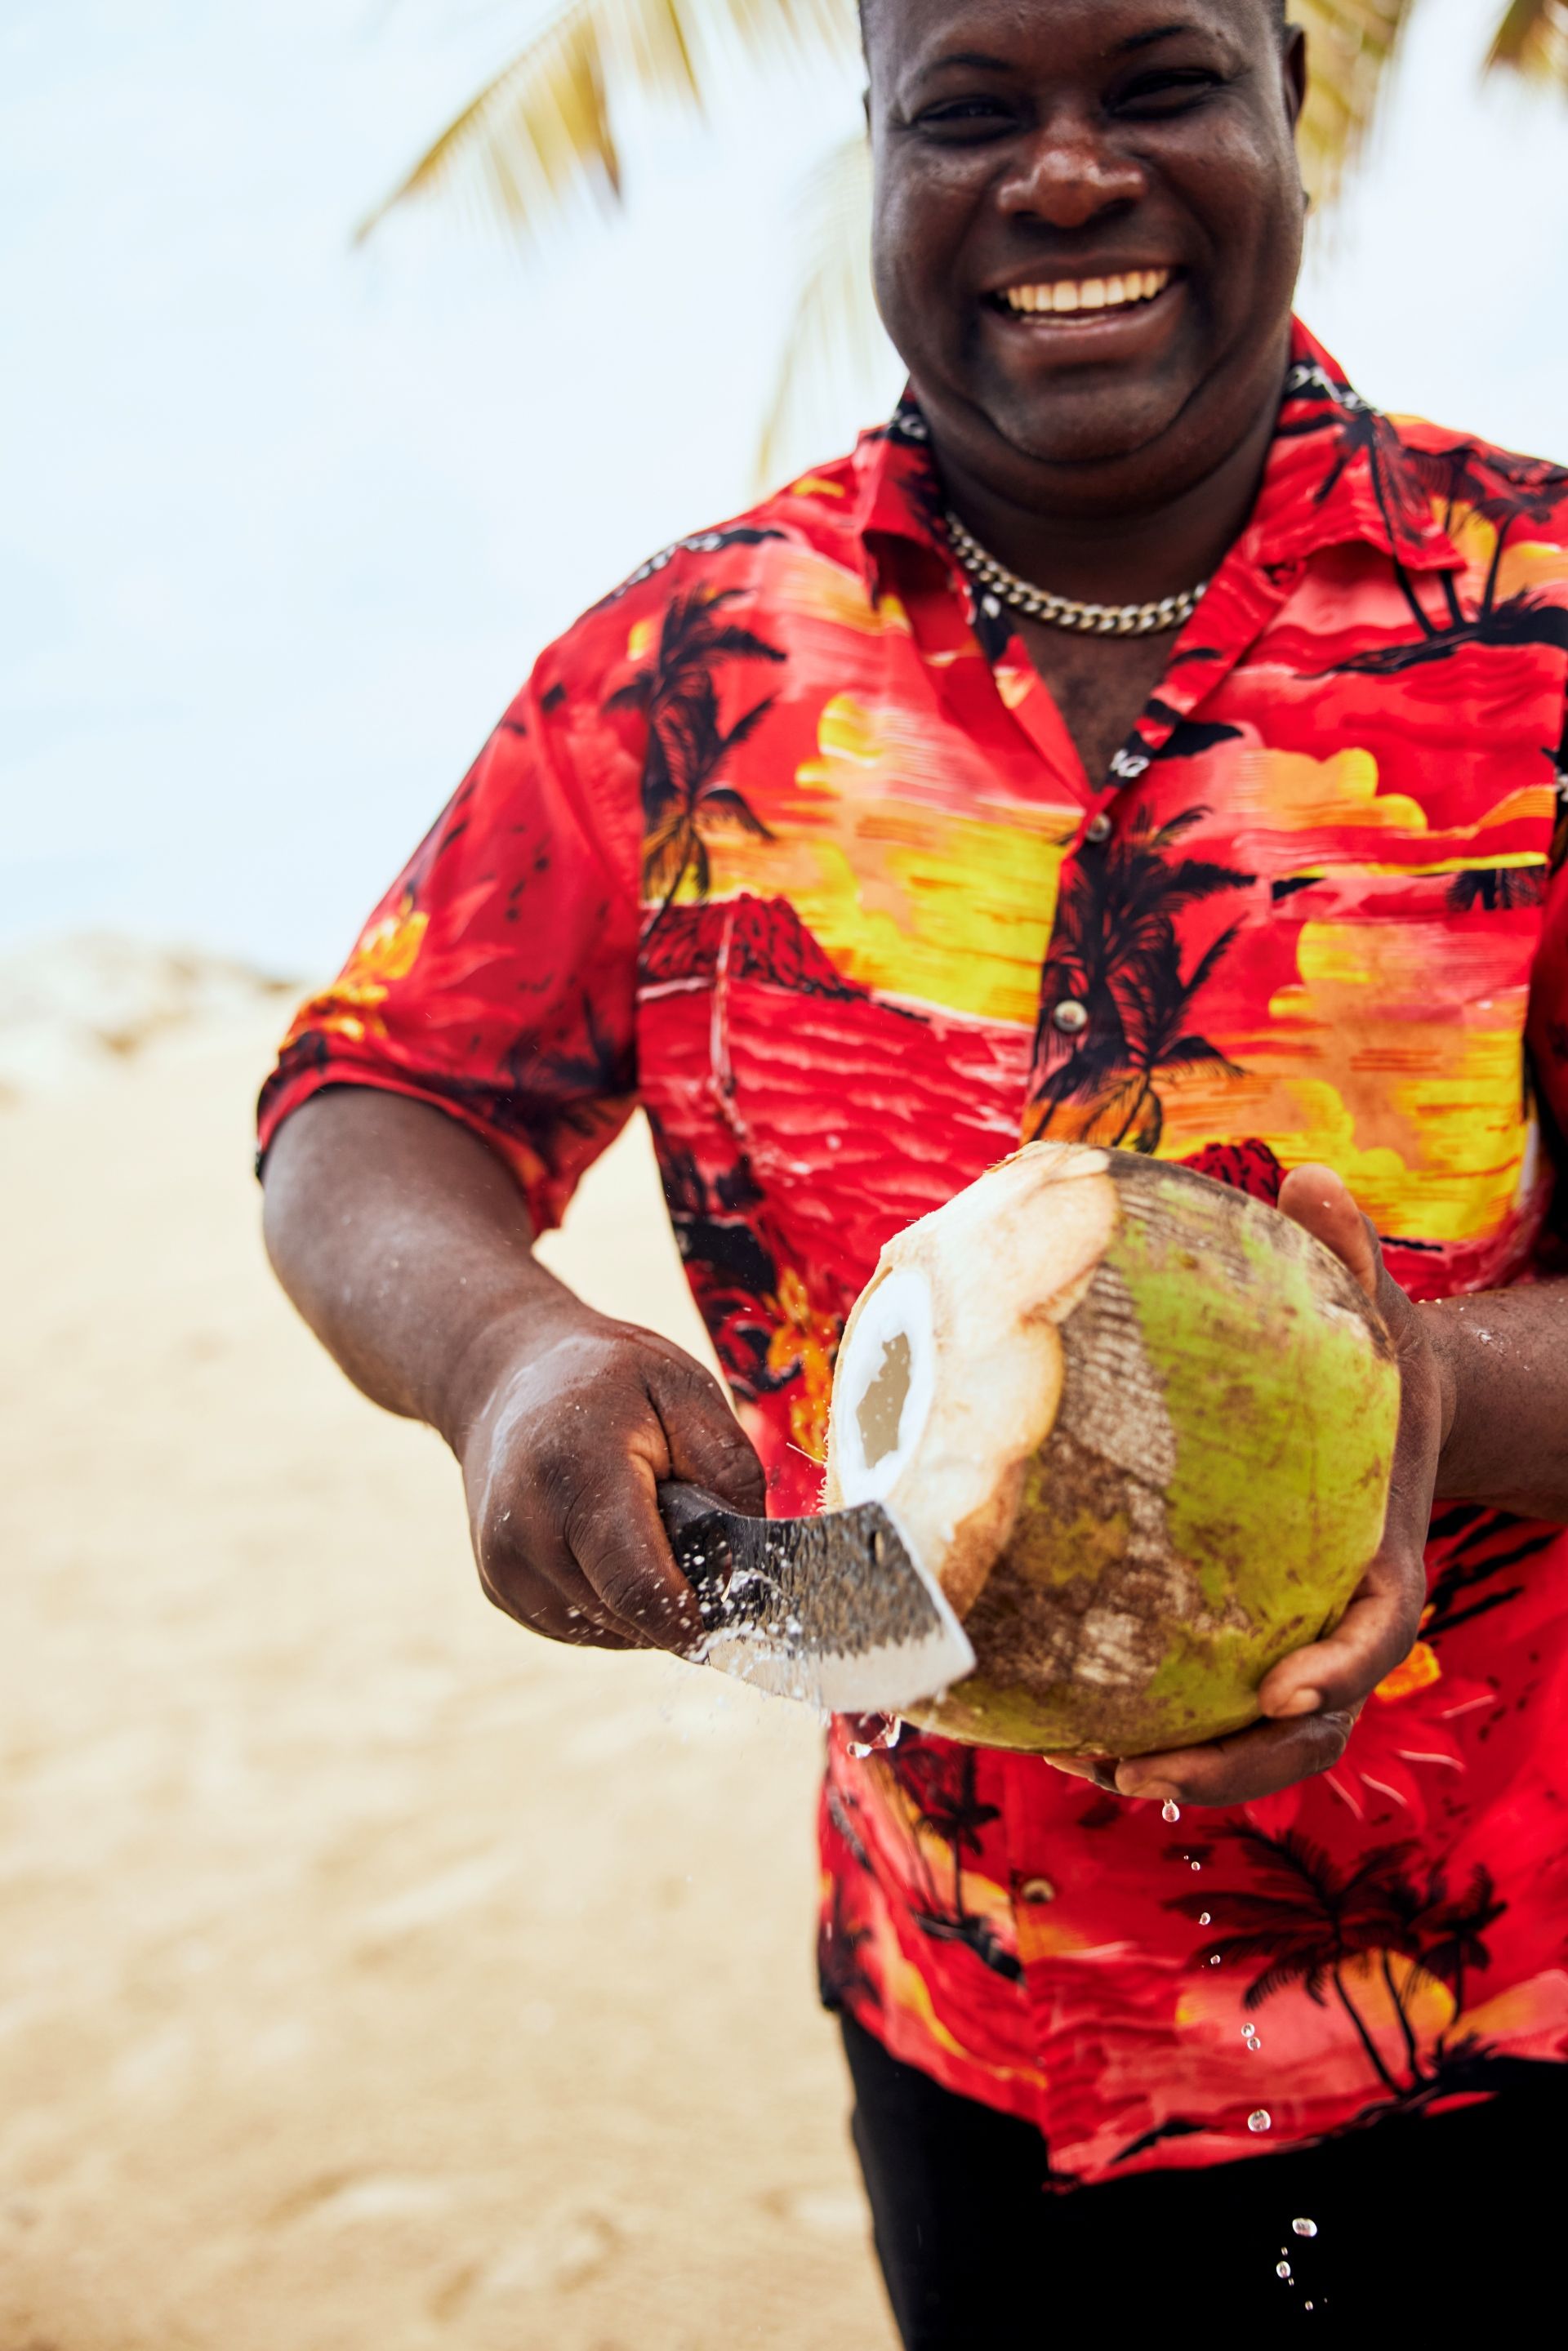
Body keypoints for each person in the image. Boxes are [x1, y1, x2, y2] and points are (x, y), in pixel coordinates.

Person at [260, 0, 1568, 2330]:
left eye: (1157, 85)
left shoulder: (1542, 644)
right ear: (873, 140)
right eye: (969, 111)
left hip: (1512, 2031)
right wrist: (505, 1359)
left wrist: (1432, 1403)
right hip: (965, 2023)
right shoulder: (687, 672)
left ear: (1293, 97)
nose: (1063, 180)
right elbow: (376, 1101)